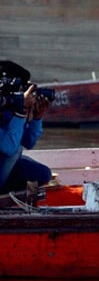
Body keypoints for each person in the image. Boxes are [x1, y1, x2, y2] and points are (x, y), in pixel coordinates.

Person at [0, 62, 52, 194]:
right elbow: (8, 148)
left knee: (43, 173)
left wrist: (36, 119)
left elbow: (28, 142)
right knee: (15, 150)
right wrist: (20, 112)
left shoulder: (9, 109)